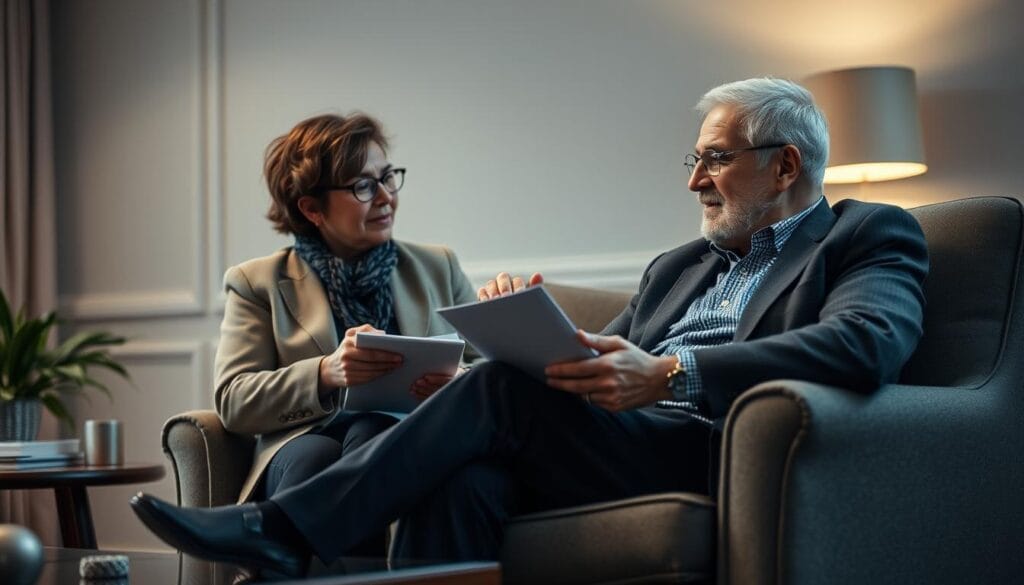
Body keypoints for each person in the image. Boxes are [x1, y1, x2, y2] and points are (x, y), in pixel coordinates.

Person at [130, 78, 929, 576]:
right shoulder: (678, 264)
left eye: (714, 159)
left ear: (785, 166)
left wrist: (672, 372)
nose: (694, 179)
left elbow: (868, 344)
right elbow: (590, 358)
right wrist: (528, 326)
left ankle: (278, 526)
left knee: (501, 392)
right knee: (467, 474)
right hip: (619, 437)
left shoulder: (867, 234)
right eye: (694, 158)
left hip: (714, 440)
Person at [209, 112, 478, 556]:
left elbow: (488, 368)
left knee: (373, 429)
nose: (386, 197)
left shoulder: (437, 266)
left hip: (407, 439)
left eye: (388, 177)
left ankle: (270, 549)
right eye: (363, 186)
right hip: (302, 442)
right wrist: (327, 372)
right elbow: (234, 400)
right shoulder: (256, 282)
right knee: (313, 456)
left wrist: (457, 380)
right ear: (311, 209)